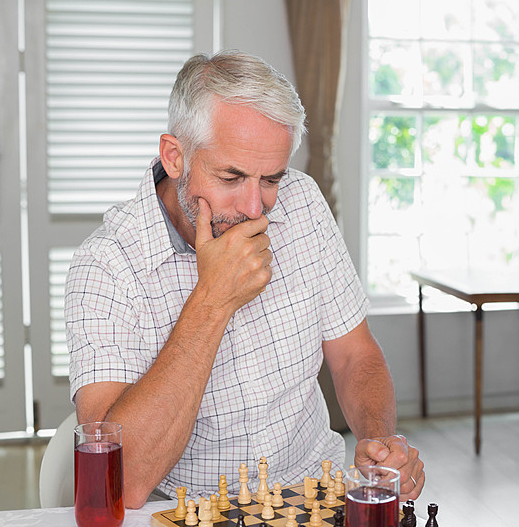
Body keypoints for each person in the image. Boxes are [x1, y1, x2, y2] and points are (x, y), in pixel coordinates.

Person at [65, 50, 425, 508]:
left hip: (316, 487)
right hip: (186, 509)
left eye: (270, 179)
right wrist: (212, 299)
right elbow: (122, 482)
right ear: (175, 157)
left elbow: (355, 356)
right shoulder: (104, 268)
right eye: (231, 176)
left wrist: (380, 442)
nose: (256, 208)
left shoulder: (304, 201)